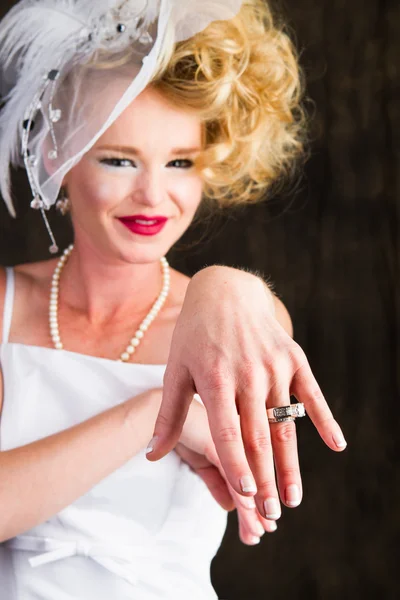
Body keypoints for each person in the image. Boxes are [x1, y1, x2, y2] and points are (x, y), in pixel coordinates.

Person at [0, 0, 347, 598]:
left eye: (180, 162)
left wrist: (229, 284)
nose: (153, 195)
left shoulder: (232, 316)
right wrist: (160, 416)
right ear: (57, 157)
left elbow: (272, 415)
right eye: (118, 159)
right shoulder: (6, 304)